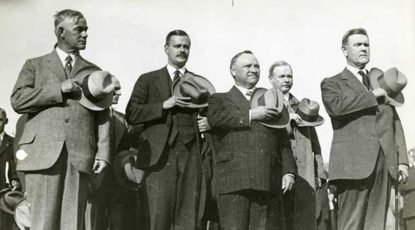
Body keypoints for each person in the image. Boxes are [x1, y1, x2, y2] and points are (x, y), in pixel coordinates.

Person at [10, 9, 111, 230]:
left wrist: (103, 154)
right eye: (79, 29)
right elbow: (17, 100)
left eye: (86, 30)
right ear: (61, 32)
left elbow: (103, 115)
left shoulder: (94, 72)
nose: (85, 34)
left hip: (80, 156)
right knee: (42, 224)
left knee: (73, 224)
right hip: (42, 156)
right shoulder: (34, 65)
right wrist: (58, 89)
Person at [320, 28, 409, 230]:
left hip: (383, 165)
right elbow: (336, 107)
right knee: (351, 225)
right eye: (358, 44)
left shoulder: (384, 84)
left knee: (376, 225)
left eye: (366, 44)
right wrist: (372, 96)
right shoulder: (332, 83)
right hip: (352, 167)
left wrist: (402, 160)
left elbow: (395, 123)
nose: (363, 48)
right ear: (344, 50)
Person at [125, 29, 208, 229]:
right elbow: (132, 113)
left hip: (190, 153)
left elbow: (208, 113)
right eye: (177, 46)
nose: (182, 50)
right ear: (166, 49)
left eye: (186, 46)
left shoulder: (199, 82)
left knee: (188, 215)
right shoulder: (148, 79)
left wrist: (208, 123)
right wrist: (163, 105)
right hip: (158, 156)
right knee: (156, 215)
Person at [207, 50, 296, 230]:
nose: (254, 70)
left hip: (264, 179)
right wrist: (251, 115)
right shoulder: (219, 99)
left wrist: (288, 171)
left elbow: (282, 140)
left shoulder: (271, 100)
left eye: (257, 66)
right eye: (248, 66)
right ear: (233, 70)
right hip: (233, 182)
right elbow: (216, 119)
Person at [268, 61, 327, 230]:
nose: (286, 80)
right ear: (271, 79)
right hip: (280, 170)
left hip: (305, 171)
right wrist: (287, 120)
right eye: (282, 76)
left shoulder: (302, 105)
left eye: (289, 76)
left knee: (304, 219)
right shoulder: (265, 102)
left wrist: (319, 172)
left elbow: (314, 142)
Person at [0, 108, 20, 230]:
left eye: (0, 120)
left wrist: (16, 179)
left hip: (6, 193)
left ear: (6, 121)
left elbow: (18, 163)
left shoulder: (13, 143)